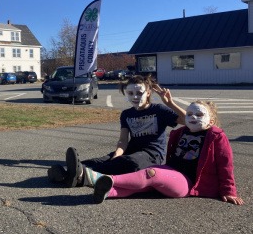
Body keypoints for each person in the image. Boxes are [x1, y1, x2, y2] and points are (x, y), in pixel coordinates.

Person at [93, 100, 244, 205]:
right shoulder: (180, 132)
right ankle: (108, 192)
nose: (193, 117)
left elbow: (226, 165)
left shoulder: (216, 137)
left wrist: (229, 190)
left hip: (188, 182)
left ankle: (106, 179)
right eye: (190, 114)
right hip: (172, 172)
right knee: (144, 185)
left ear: (211, 121)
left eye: (199, 115)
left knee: (152, 174)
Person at [48, 74, 186, 188]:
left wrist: (170, 103)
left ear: (148, 92)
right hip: (129, 151)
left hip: (152, 154)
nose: (135, 97)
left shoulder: (159, 110)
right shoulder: (126, 114)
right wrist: (117, 155)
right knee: (96, 162)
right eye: (130, 93)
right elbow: (123, 140)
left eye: (139, 93)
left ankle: (75, 175)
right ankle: (71, 174)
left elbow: (188, 121)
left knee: (131, 164)